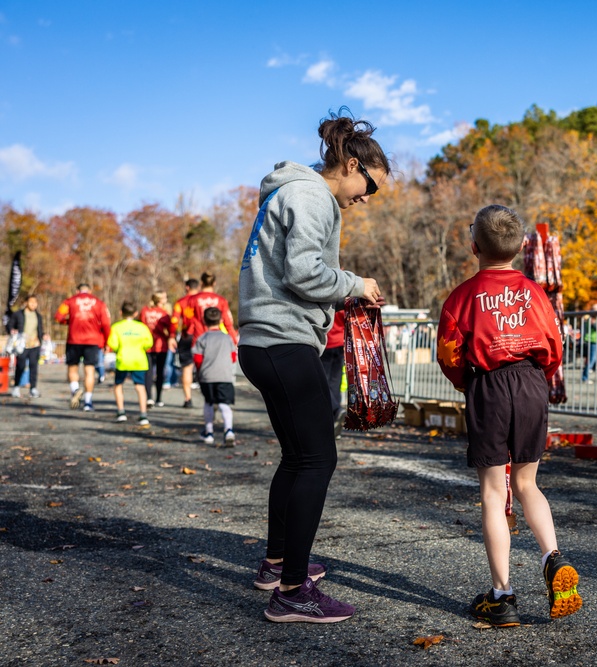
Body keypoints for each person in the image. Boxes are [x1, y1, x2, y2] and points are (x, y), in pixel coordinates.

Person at [238, 109, 387, 623]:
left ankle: (276, 563)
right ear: (350, 165)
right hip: (283, 341)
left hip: (265, 341)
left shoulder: (290, 192)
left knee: (296, 457)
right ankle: (293, 592)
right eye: (369, 186)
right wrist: (355, 285)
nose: (367, 198)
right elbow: (305, 272)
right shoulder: (310, 196)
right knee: (317, 460)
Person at [437, 204, 582, 628]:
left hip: (489, 385)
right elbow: (554, 344)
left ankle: (502, 595)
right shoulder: (535, 292)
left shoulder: (463, 296)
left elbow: (449, 353)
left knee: (493, 493)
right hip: (532, 383)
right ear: (521, 246)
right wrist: (539, 377)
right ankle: (552, 558)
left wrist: (468, 383)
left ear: (474, 246)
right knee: (526, 482)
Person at [55, 283, 111, 412]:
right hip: (92, 341)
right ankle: (88, 402)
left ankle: (75, 389)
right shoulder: (99, 303)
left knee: (72, 368)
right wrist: (107, 343)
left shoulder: (69, 301)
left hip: (74, 340)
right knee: (89, 370)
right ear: (90, 291)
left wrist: (70, 321)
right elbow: (106, 324)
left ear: (77, 290)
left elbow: (58, 317)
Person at [193, 307, 237, 446]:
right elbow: (233, 357)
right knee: (225, 403)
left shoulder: (202, 338)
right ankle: (228, 430)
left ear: (203, 321)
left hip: (207, 376)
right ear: (221, 320)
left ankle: (209, 432)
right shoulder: (227, 338)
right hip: (224, 376)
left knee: (209, 402)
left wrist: (200, 373)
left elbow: (198, 359)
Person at [107, 301, 153, 425]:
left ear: (121, 312)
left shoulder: (116, 327)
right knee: (140, 386)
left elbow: (113, 344)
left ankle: (121, 412)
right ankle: (143, 415)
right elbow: (149, 343)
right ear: (136, 313)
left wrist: (119, 349)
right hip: (139, 360)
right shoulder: (142, 327)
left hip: (123, 359)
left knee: (118, 385)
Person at [169, 278, 201, 408]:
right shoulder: (203, 300)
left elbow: (174, 320)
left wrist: (171, 336)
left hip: (186, 336)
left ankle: (188, 399)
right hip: (202, 336)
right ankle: (210, 400)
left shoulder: (181, 302)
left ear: (187, 287)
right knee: (205, 366)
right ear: (197, 287)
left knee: (186, 368)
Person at [139, 291, 171, 407]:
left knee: (148, 372)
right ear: (160, 300)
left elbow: (141, 325)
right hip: (161, 345)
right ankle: (158, 398)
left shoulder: (145, 311)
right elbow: (170, 329)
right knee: (160, 371)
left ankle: (149, 398)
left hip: (147, 345)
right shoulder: (164, 313)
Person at [9, 295, 44, 398]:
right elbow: (10, 325)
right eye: (31, 302)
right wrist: (12, 330)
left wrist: (44, 336)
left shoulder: (38, 316)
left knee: (34, 366)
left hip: (35, 344)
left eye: (35, 302)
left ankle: (33, 388)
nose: (33, 304)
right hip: (22, 345)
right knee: (20, 366)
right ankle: (16, 387)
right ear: (26, 302)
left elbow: (40, 329)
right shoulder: (18, 314)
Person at [320, 309, 347, 438]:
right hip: (340, 342)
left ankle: (336, 411)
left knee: (321, 383)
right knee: (335, 384)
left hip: (326, 343)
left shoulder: (328, 299)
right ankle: (334, 426)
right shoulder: (343, 299)